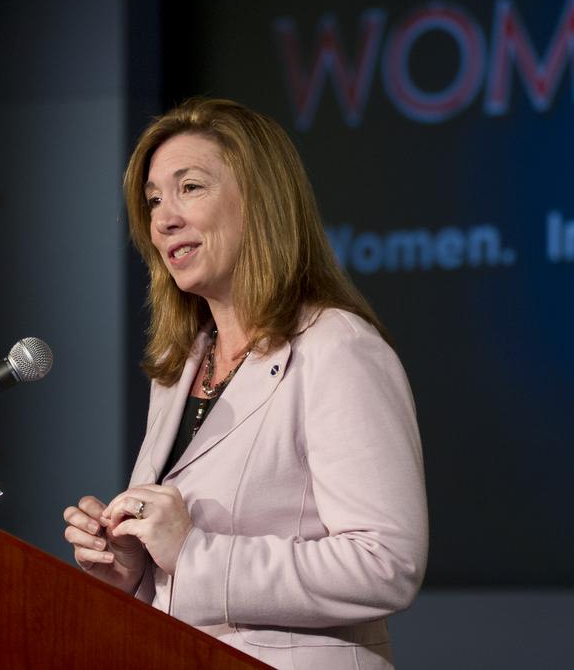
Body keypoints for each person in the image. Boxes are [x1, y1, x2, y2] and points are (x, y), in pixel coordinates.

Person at [63, 98, 427, 668]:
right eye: (154, 199)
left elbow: (387, 563)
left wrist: (194, 553)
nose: (163, 218)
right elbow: (182, 575)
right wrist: (132, 565)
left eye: (191, 188)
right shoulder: (181, 364)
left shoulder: (337, 348)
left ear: (260, 201)